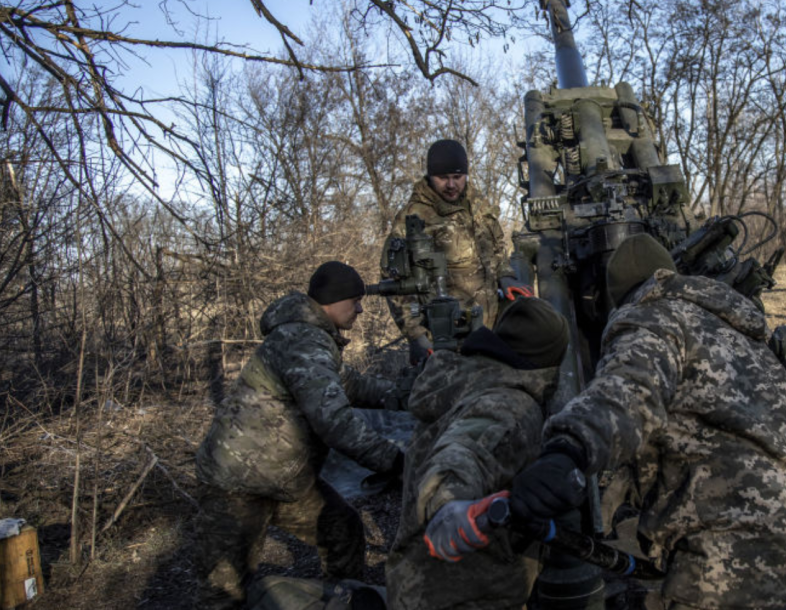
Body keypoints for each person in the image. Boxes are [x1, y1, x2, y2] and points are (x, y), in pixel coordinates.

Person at [499, 234, 786, 610]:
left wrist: (567, 449)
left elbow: (629, 393)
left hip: (748, 542)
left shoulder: (649, 318)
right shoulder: (729, 323)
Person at [193, 261, 405, 608]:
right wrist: (395, 461)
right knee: (224, 590)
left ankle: (340, 601)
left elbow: (349, 384)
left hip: (284, 480)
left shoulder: (314, 339)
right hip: (236, 485)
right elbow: (334, 422)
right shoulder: (303, 341)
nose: (360, 308)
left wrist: (403, 396)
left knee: (341, 529)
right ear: (332, 302)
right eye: (354, 300)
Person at [385, 297, 569, 610]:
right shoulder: (510, 405)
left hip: (415, 581)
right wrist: (448, 502)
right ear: (549, 361)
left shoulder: (464, 377)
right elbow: (462, 452)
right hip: (465, 594)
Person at [386, 139, 523, 367]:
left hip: (489, 332)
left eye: (457, 177)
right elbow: (395, 283)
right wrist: (417, 336)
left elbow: (496, 246)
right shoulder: (412, 217)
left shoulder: (478, 205)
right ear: (430, 177)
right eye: (443, 178)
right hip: (445, 341)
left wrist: (505, 275)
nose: (451, 185)